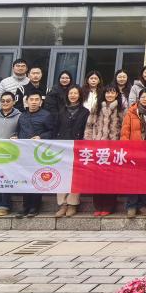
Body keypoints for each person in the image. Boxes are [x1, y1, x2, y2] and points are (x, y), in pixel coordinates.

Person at [85, 85, 124, 217]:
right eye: (107, 92)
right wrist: (88, 142)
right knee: (97, 178)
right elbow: (89, 127)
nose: (109, 95)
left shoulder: (121, 109)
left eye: (112, 93)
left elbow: (124, 129)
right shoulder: (96, 108)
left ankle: (109, 206)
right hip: (97, 148)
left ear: (117, 94)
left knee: (111, 178)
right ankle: (98, 205)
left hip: (114, 149)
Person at [16, 92, 56, 218]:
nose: (33, 102)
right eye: (31, 99)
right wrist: (15, 136)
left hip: (39, 152)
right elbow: (18, 130)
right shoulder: (22, 115)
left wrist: (41, 136)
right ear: (27, 101)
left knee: (37, 178)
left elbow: (52, 132)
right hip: (24, 152)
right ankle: (25, 206)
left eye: (36, 100)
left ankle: (34, 206)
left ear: (41, 102)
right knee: (25, 178)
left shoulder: (46, 115)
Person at [120, 87, 146, 218]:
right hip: (134, 151)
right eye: (143, 97)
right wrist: (126, 149)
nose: (145, 99)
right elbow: (125, 132)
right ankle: (131, 205)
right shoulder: (131, 112)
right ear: (138, 99)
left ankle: (142, 204)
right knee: (132, 178)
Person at [54, 85, 88, 218]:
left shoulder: (85, 112)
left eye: (75, 93)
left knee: (76, 175)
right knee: (62, 174)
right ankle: (62, 204)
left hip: (78, 147)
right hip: (62, 146)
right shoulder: (61, 111)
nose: (73, 95)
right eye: (70, 93)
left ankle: (73, 203)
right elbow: (55, 128)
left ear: (80, 95)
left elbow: (86, 130)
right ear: (67, 95)